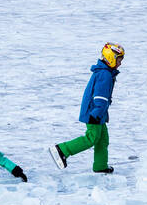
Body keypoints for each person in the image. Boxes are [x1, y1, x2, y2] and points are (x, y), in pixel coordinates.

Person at [49, 43, 123, 174]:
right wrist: (97, 113)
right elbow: (100, 97)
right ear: (111, 58)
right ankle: (62, 150)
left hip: (98, 112)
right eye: (119, 60)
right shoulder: (104, 75)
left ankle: (100, 165)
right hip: (94, 113)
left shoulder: (105, 72)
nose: (120, 64)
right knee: (91, 138)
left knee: (102, 139)